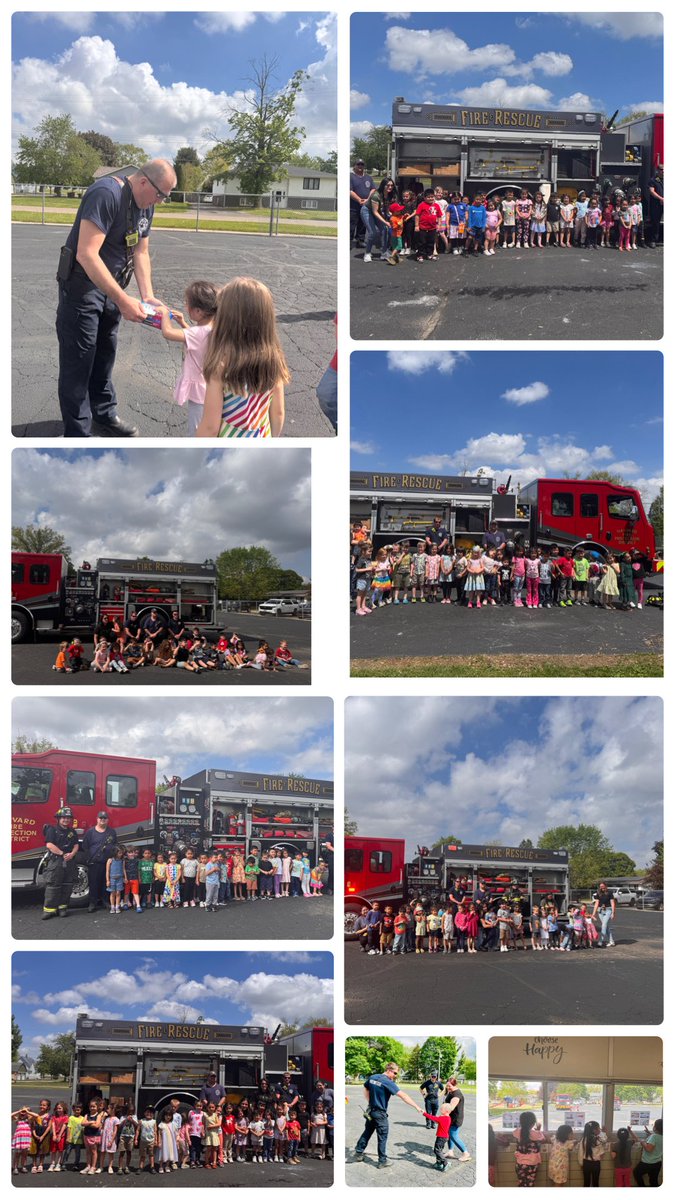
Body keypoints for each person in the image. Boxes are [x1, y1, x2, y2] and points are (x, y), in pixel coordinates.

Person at [56, 159, 177, 436]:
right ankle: (78, 434)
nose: (160, 201)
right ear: (144, 181)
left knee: (104, 354)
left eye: (165, 197)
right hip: (82, 287)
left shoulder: (146, 204)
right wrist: (123, 300)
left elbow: (141, 252)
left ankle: (104, 414)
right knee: (80, 360)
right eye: (161, 194)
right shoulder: (106, 194)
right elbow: (86, 253)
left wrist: (147, 296)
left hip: (113, 288)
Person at [195, 277, 289, 437]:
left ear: (226, 320)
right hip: (261, 434)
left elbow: (210, 427)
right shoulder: (274, 359)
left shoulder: (221, 365)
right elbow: (278, 413)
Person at [155, 281, 219, 435]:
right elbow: (196, 339)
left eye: (187, 303)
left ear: (198, 311)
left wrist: (164, 315)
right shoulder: (212, 328)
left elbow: (168, 333)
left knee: (196, 430)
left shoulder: (198, 333)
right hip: (211, 387)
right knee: (210, 425)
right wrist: (182, 322)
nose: (185, 306)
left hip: (200, 392)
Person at [354, 1063, 423, 1169]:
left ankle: (358, 1153)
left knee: (367, 1131)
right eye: (395, 1073)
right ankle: (382, 1161)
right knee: (382, 1136)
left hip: (371, 1111)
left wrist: (369, 1102)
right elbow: (403, 1096)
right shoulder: (387, 1082)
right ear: (389, 1070)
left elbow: (366, 1088)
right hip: (380, 1114)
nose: (395, 1075)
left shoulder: (373, 1077)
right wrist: (417, 1107)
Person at [41, 804, 80, 920]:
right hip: (56, 860)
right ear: (58, 818)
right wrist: (62, 854)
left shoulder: (72, 832)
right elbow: (49, 845)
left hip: (69, 861)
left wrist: (72, 854)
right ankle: (49, 910)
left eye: (68, 818)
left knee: (67, 885)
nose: (66, 819)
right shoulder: (52, 830)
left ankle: (63, 908)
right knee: (53, 885)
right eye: (63, 817)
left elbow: (76, 845)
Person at [513, 1111, 546, 1186]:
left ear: (521, 1122)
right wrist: (538, 1129)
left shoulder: (517, 1131)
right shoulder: (535, 1133)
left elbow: (515, 1134)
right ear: (533, 1122)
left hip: (519, 1163)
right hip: (532, 1163)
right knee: (530, 1183)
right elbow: (543, 1139)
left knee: (521, 1182)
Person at [350, 159, 376, 245]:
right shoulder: (350, 177)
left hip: (366, 205)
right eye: (358, 164)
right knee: (351, 224)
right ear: (355, 165)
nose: (360, 166)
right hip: (353, 206)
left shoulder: (368, 177)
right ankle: (349, 241)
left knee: (363, 223)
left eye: (362, 164)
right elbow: (349, 191)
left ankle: (360, 240)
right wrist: (359, 200)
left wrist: (368, 199)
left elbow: (373, 188)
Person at [630, 1118, 662, 1186]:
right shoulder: (661, 1136)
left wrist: (642, 1142)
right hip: (657, 1163)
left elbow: (649, 1149)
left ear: (656, 1128)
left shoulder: (654, 1137)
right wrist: (649, 1133)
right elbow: (657, 1139)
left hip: (648, 1162)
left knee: (636, 1173)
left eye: (654, 1125)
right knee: (653, 1181)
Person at [578, 1120, 607, 1186]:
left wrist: (581, 1164)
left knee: (586, 1182)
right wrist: (603, 1132)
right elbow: (604, 1140)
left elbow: (580, 1153)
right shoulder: (598, 1139)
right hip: (596, 1164)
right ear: (594, 1130)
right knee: (595, 1182)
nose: (600, 1129)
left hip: (586, 1163)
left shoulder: (583, 1139)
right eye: (598, 1128)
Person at [591, 882, 616, 947]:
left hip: (608, 910)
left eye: (603, 886)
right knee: (606, 927)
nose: (601, 887)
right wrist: (593, 913)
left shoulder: (609, 893)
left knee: (604, 925)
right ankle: (611, 941)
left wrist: (613, 913)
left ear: (605, 886)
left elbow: (612, 903)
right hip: (600, 910)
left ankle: (601, 941)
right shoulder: (598, 893)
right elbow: (596, 903)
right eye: (600, 886)